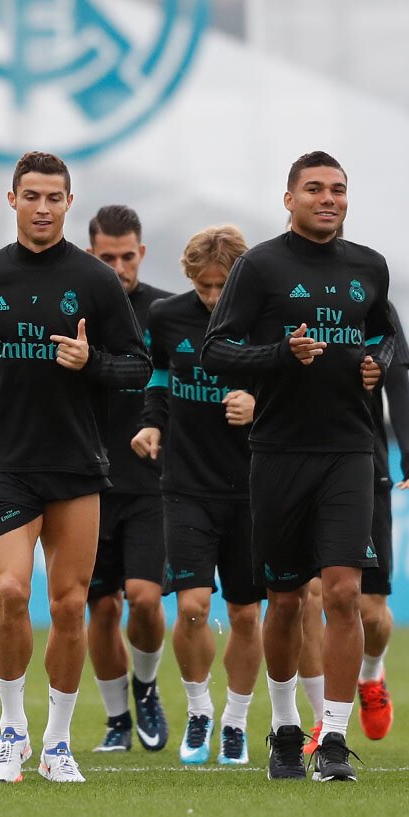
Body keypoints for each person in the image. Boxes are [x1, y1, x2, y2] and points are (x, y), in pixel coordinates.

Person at [0, 151, 150, 784]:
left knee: (71, 605)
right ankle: (12, 733)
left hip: (77, 465)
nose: (43, 207)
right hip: (3, 461)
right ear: (12, 200)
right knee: (12, 591)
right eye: (32, 196)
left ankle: (57, 743)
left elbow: (136, 364)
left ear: (69, 203)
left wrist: (93, 364)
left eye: (55, 197)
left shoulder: (96, 281)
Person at [201, 150, 393, 783]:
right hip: (279, 452)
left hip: (349, 451)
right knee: (284, 602)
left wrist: (378, 361)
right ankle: (284, 726)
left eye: (338, 188)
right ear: (289, 199)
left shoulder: (369, 267)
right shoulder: (259, 266)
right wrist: (280, 354)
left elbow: (386, 335)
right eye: (314, 189)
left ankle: (331, 739)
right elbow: (217, 351)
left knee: (343, 593)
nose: (328, 198)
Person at [132, 226, 262, 766]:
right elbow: (159, 376)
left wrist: (259, 404)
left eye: (222, 286)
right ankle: (200, 708)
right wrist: (151, 424)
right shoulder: (167, 317)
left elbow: (295, 389)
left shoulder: (264, 322)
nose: (212, 298)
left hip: (254, 488)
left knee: (247, 616)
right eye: (204, 287)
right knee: (191, 607)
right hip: (185, 485)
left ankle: (235, 719)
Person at [300, 300, 409, 752]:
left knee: (368, 609)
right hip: (296, 467)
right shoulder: (278, 290)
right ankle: (322, 718)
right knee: (310, 596)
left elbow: (400, 386)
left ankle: (371, 674)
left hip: (363, 470)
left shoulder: (372, 300)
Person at [85, 205, 172, 753]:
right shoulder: (73, 310)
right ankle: (116, 718)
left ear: (141, 252)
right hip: (86, 482)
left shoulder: (166, 311)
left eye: (127, 255)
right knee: (98, 606)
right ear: (92, 255)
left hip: (149, 483)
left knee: (143, 597)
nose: (119, 266)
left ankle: (145, 686)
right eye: (106, 257)